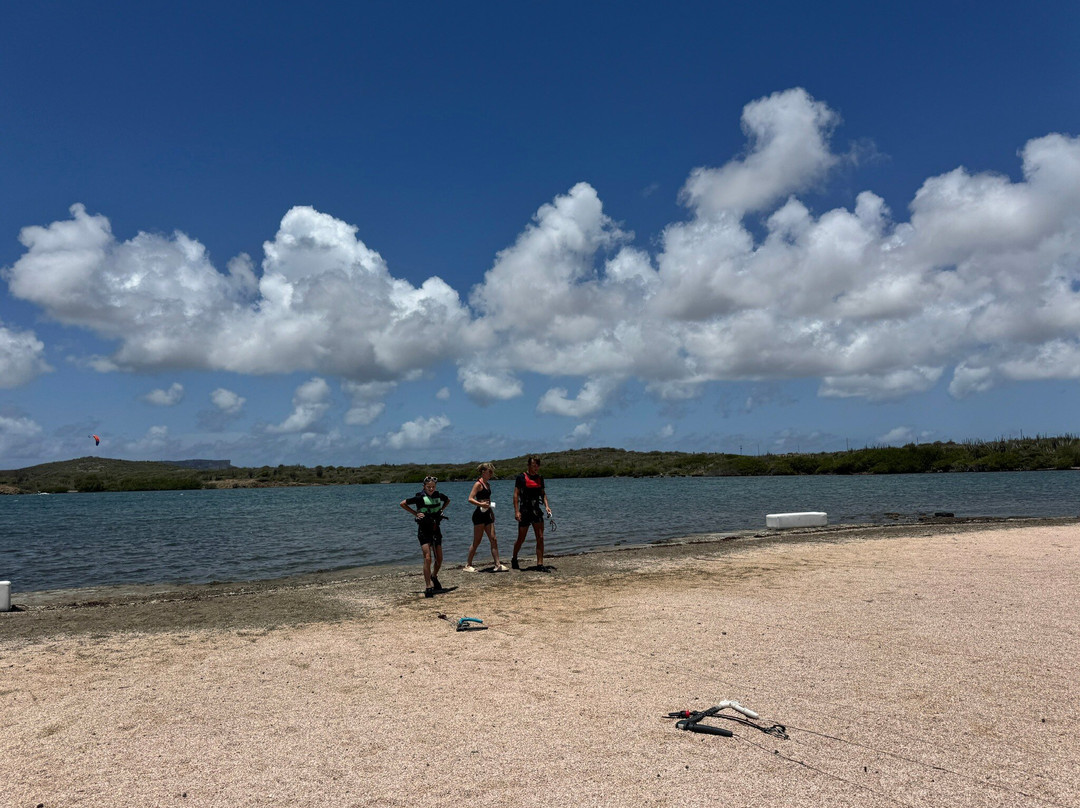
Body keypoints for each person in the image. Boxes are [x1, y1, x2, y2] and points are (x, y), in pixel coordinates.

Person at [400, 475, 450, 598]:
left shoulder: (439, 495)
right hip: (424, 530)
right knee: (427, 558)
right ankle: (428, 586)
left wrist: (442, 510)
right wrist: (415, 513)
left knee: (439, 558)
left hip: (435, 529)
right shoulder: (419, 498)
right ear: (424, 487)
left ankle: (434, 576)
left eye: (433, 487)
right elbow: (402, 503)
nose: (431, 489)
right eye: (429, 487)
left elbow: (448, 500)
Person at [464, 462, 508, 572]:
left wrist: (491, 513)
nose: (491, 474)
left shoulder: (488, 485)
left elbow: (488, 500)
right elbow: (470, 498)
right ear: (483, 472)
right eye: (490, 472)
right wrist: (481, 504)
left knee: (493, 539)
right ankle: (468, 565)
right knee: (477, 541)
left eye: (492, 472)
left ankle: (497, 564)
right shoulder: (478, 484)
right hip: (479, 515)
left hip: (487, 514)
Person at [511, 455, 552, 571]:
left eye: (537, 465)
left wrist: (547, 506)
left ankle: (540, 564)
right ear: (529, 465)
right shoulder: (521, 477)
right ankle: (514, 558)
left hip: (536, 510)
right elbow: (516, 495)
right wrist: (517, 511)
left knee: (540, 537)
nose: (536, 468)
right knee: (521, 538)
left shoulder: (540, 478)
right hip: (525, 510)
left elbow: (543, 494)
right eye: (534, 465)